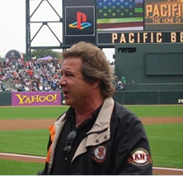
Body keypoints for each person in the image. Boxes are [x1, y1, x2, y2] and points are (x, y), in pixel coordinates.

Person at [38, 41, 152, 175]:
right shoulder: (60, 125)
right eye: (62, 74)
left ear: (94, 80)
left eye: (69, 75)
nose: (61, 81)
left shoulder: (126, 125)